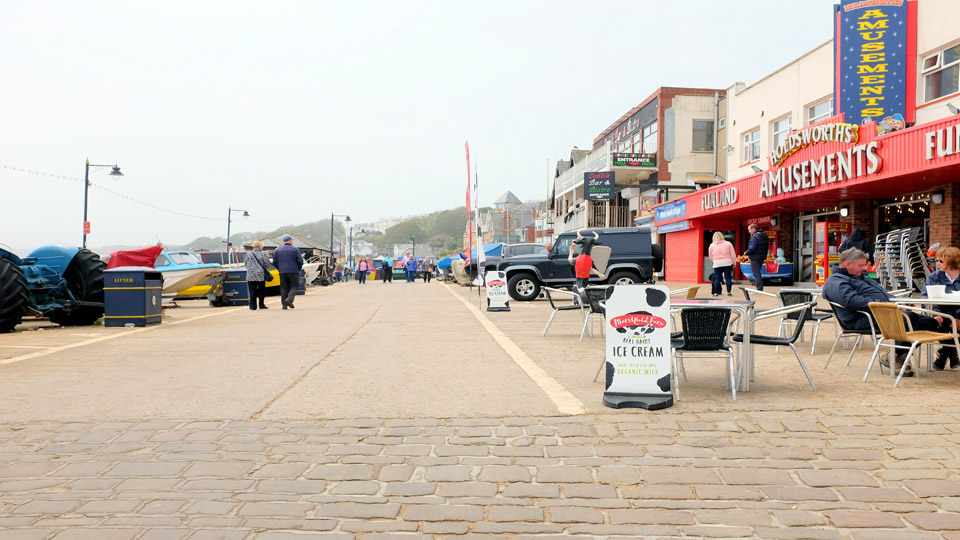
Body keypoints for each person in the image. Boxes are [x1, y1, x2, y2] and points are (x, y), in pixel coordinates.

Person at [823, 248, 940, 376]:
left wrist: (899, 303)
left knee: (930, 322)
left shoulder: (861, 277)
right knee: (909, 317)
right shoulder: (835, 281)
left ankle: (896, 355)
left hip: (881, 313)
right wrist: (884, 305)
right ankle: (896, 357)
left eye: (864, 265)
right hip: (860, 319)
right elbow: (851, 301)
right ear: (847, 264)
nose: (864, 268)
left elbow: (883, 294)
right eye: (860, 265)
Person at [922, 246, 960, 370]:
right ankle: (951, 352)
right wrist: (936, 314)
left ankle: (943, 354)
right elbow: (926, 297)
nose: (937, 263)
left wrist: (958, 318)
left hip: (958, 314)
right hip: (942, 315)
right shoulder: (934, 277)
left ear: (953, 261)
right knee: (931, 323)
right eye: (937, 260)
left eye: (941, 261)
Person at [273, 234, 303, 309]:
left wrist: (279, 268)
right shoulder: (295, 249)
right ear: (290, 241)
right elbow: (300, 261)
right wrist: (298, 268)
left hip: (282, 271)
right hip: (293, 271)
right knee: (294, 286)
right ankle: (289, 299)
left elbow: (275, 262)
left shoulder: (278, 250)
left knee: (284, 287)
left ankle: (284, 305)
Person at [243, 240, 271, 310]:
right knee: (261, 290)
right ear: (260, 246)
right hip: (260, 274)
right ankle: (261, 305)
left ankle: (253, 306)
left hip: (250, 275)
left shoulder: (248, 254)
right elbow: (267, 264)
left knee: (252, 290)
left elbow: (245, 263)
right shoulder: (263, 254)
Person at [708, 231, 737, 297]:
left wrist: (715, 260)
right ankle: (729, 292)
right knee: (728, 278)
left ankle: (716, 293)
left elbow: (710, 255)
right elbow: (733, 254)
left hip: (717, 264)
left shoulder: (712, 245)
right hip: (727, 263)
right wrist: (734, 262)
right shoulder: (728, 244)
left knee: (717, 278)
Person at [744, 224, 769, 291]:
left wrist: (746, 252)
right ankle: (759, 287)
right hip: (762, 256)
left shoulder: (755, 237)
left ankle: (759, 288)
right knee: (758, 272)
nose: (749, 231)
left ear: (753, 229)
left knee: (756, 273)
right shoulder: (764, 235)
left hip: (755, 257)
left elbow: (752, 248)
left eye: (749, 230)